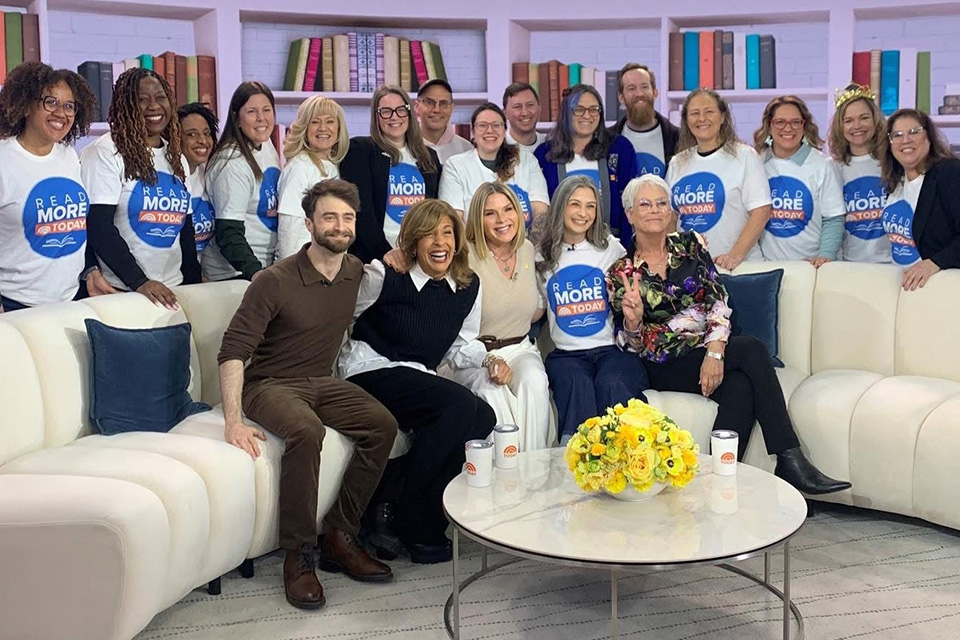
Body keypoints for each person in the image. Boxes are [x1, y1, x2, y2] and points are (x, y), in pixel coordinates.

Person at [608, 173, 851, 495]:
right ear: (630, 214)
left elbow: (718, 301)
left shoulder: (691, 246)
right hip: (662, 362)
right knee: (751, 350)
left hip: (703, 348)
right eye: (645, 204)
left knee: (739, 384)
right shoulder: (620, 271)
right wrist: (634, 320)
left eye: (661, 203)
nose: (655, 210)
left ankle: (717, 481)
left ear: (670, 211)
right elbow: (630, 345)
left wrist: (715, 352)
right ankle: (788, 458)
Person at [218, 179, 398, 610]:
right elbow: (233, 350)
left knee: (383, 425)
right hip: (269, 385)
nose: (339, 225)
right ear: (309, 223)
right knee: (306, 431)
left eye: (347, 218)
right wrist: (232, 421)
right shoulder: (273, 280)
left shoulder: (355, 271)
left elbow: (398, 266)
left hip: (322, 381)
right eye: (329, 217)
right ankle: (298, 555)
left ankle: (339, 534)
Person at [339, 199, 501, 563]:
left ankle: (399, 506)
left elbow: (460, 346)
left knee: (483, 417)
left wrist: (489, 359)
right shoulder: (386, 275)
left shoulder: (467, 287)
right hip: (370, 369)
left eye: (447, 232)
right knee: (459, 405)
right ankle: (418, 519)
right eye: (428, 234)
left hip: (418, 376)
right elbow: (339, 309)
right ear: (411, 242)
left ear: (458, 240)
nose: (439, 241)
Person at [537, 175, 649, 444]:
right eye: (575, 204)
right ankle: (576, 460)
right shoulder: (541, 254)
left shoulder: (611, 249)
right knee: (577, 384)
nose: (583, 213)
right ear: (561, 206)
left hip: (611, 350)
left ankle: (627, 453)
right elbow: (534, 307)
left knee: (611, 383)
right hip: (566, 355)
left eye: (590, 206)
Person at [81, 67, 200, 310]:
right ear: (126, 105)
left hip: (173, 290)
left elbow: (185, 232)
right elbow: (98, 226)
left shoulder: (175, 156)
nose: (153, 106)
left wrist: (193, 286)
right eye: (142, 100)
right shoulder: (105, 152)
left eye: (160, 97)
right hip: (124, 291)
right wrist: (140, 282)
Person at [0, 61, 114, 312]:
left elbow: (73, 229)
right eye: (50, 102)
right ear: (27, 105)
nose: (61, 113)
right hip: (14, 305)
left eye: (69, 106)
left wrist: (89, 270)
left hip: (70, 299)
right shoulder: (4, 160)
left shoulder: (69, 156)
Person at [666, 89, 770, 269]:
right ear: (686, 120)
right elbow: (670, 217)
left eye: (709, 112)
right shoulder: (677, 163)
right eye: (695, 113)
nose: (702, 119)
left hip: (739, 268)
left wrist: (734, 256)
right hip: (692, 271)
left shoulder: (745, 156)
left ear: (722, 117)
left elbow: (761, 212)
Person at [339, 85, 441, 264]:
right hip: (376, 258)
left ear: (409, 113)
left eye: (401, 110)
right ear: (376, 116)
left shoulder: (428, 157)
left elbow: (435, 211)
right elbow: (362, 213)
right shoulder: (361, 151)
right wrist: (386, 254)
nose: (394, 117)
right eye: (386, 111)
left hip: (422, 257)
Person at [535, 84, 636, 239]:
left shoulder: (620, 148)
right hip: (560, 246)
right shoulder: (544, 154)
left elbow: (630, 204)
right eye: (579, 109)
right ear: (566, 114)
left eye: (594, 109)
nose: (587, 115)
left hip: (612, 246)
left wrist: (626, 249)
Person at [203, 81, 281, 281]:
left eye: (266, 110)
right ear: (236, 119)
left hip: (264, 267)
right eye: (251, 112)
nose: (261, 118)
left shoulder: (266, 145)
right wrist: (256, 273)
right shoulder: (232, 163)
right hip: (235, 274)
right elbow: (228, 233)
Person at [754, 95, 845, 265]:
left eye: (795, 122)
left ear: (804, 125)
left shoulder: (823, 165)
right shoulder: (756, 163)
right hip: (768, 266)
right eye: (780, 122)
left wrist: (826, 255)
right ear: (769, 125)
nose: (788, 128)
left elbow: (833, 218)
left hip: (812, 266)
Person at [881, 108, 960, 290]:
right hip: (902, 287)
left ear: (929, 136)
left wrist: (933, 263)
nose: (906, 140)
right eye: (897, 135)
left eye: (914, 132)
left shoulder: (949, 172)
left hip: (937, 286)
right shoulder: (894, 182)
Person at [438, 102, 549, 231]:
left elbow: (540, 211)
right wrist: (476, 250)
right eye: (482, 125)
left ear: (504, 130)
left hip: (524, 246)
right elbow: (455, 218)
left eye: (496, 125)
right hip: (474, 248)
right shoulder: (455, 166)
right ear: (473, 132)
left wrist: (531, 248)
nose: (490, 130)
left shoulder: (527, 161)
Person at [277, 96, 349, 259]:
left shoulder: (334, 166)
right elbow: (290, 230)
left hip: (330, 264)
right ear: (304, 128)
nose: (323, 128)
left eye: (329, 121)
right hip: (304, 267)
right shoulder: (300, 166)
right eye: (315, 122)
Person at [828, 84, 890, 264]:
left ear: (876, 120)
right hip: (850, 263)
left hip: (894, 263)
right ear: (840, 126)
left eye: (864, 118)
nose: (857, 126)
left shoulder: (893, 162)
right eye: (848, 121)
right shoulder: (832, 168)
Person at [608, 63, 680, 179]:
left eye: (644, 86)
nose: (639, 93)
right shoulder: (607, 142)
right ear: (621, 97)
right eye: (631, 88)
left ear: (655, 93)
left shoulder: (678, 139)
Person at [177, 102, 218, 270]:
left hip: (205, 273)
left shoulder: (211, 173)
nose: (202, 141)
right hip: (175, 275)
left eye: (207, 133)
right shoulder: (165, 180)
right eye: (192, 135)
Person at [414, 79, 472, 164]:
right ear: (417, 106)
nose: (436, 110)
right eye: (429, 102)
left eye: (444, 103)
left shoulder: (466, 149)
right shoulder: (404, 146)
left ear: (451, 108)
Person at [502, 82, 546, 153]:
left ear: (539, 107)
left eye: (530, 105)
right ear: (505, 113)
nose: (525, 113)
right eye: (517, 107)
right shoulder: (498, 149)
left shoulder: (551, 147)